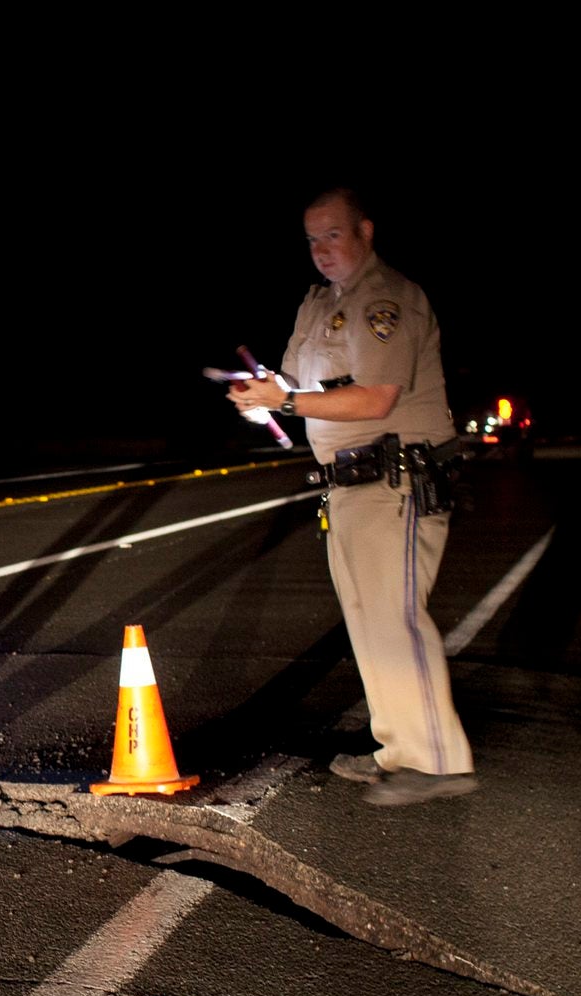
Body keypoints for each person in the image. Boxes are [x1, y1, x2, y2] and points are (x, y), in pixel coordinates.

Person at [229, 187, 477, 806]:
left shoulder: (386, 300)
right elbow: (290, 379)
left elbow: (376, 398)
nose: (321, 250)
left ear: (365, 231)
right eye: (312, 239)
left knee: (394, 618)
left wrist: (284, 401)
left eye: (332, 235)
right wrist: (265, 395)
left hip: (394, 478)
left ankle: (436, 763)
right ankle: (400, 753)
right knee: (369, 622)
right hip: (346, 484)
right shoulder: (318, 306)